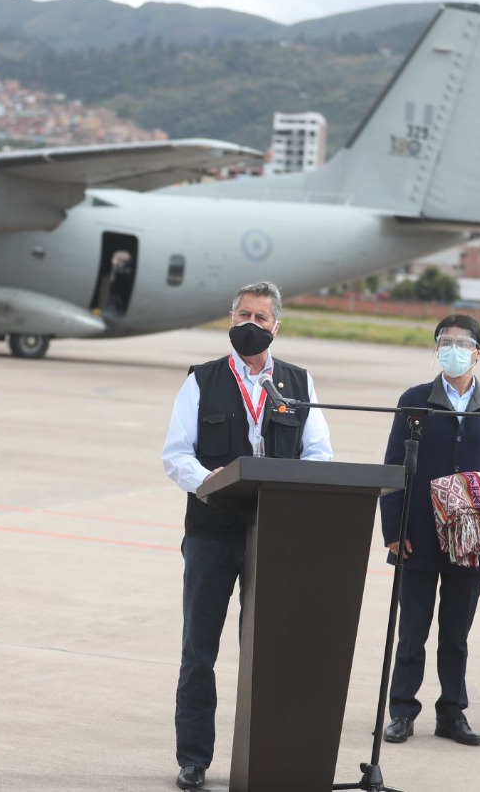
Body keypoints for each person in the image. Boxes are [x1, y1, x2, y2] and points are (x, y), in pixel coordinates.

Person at [160, 281, 332, 791]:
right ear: (230, 320)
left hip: (276, 535)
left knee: (269, 654)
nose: (250, 325)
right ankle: (194, 758)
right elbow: (176, 454)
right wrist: (210, 482)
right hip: (213, 532)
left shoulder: (297, 383)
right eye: (242, 315)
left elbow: (318, 453)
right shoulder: (202, 380)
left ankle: (265, 756)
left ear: (276, 326)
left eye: (260, 317)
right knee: (199, 652)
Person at [380, 315, 480, 748]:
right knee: (412, 632)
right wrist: (393, 529)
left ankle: (452, 713)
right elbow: (392, 467)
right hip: (418, 535)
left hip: (471, 541)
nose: (453, 349)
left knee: (456, 635)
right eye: (446, 342)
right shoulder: (414, 401)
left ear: (478, 352)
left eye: (463, 343)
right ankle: (402, 711)